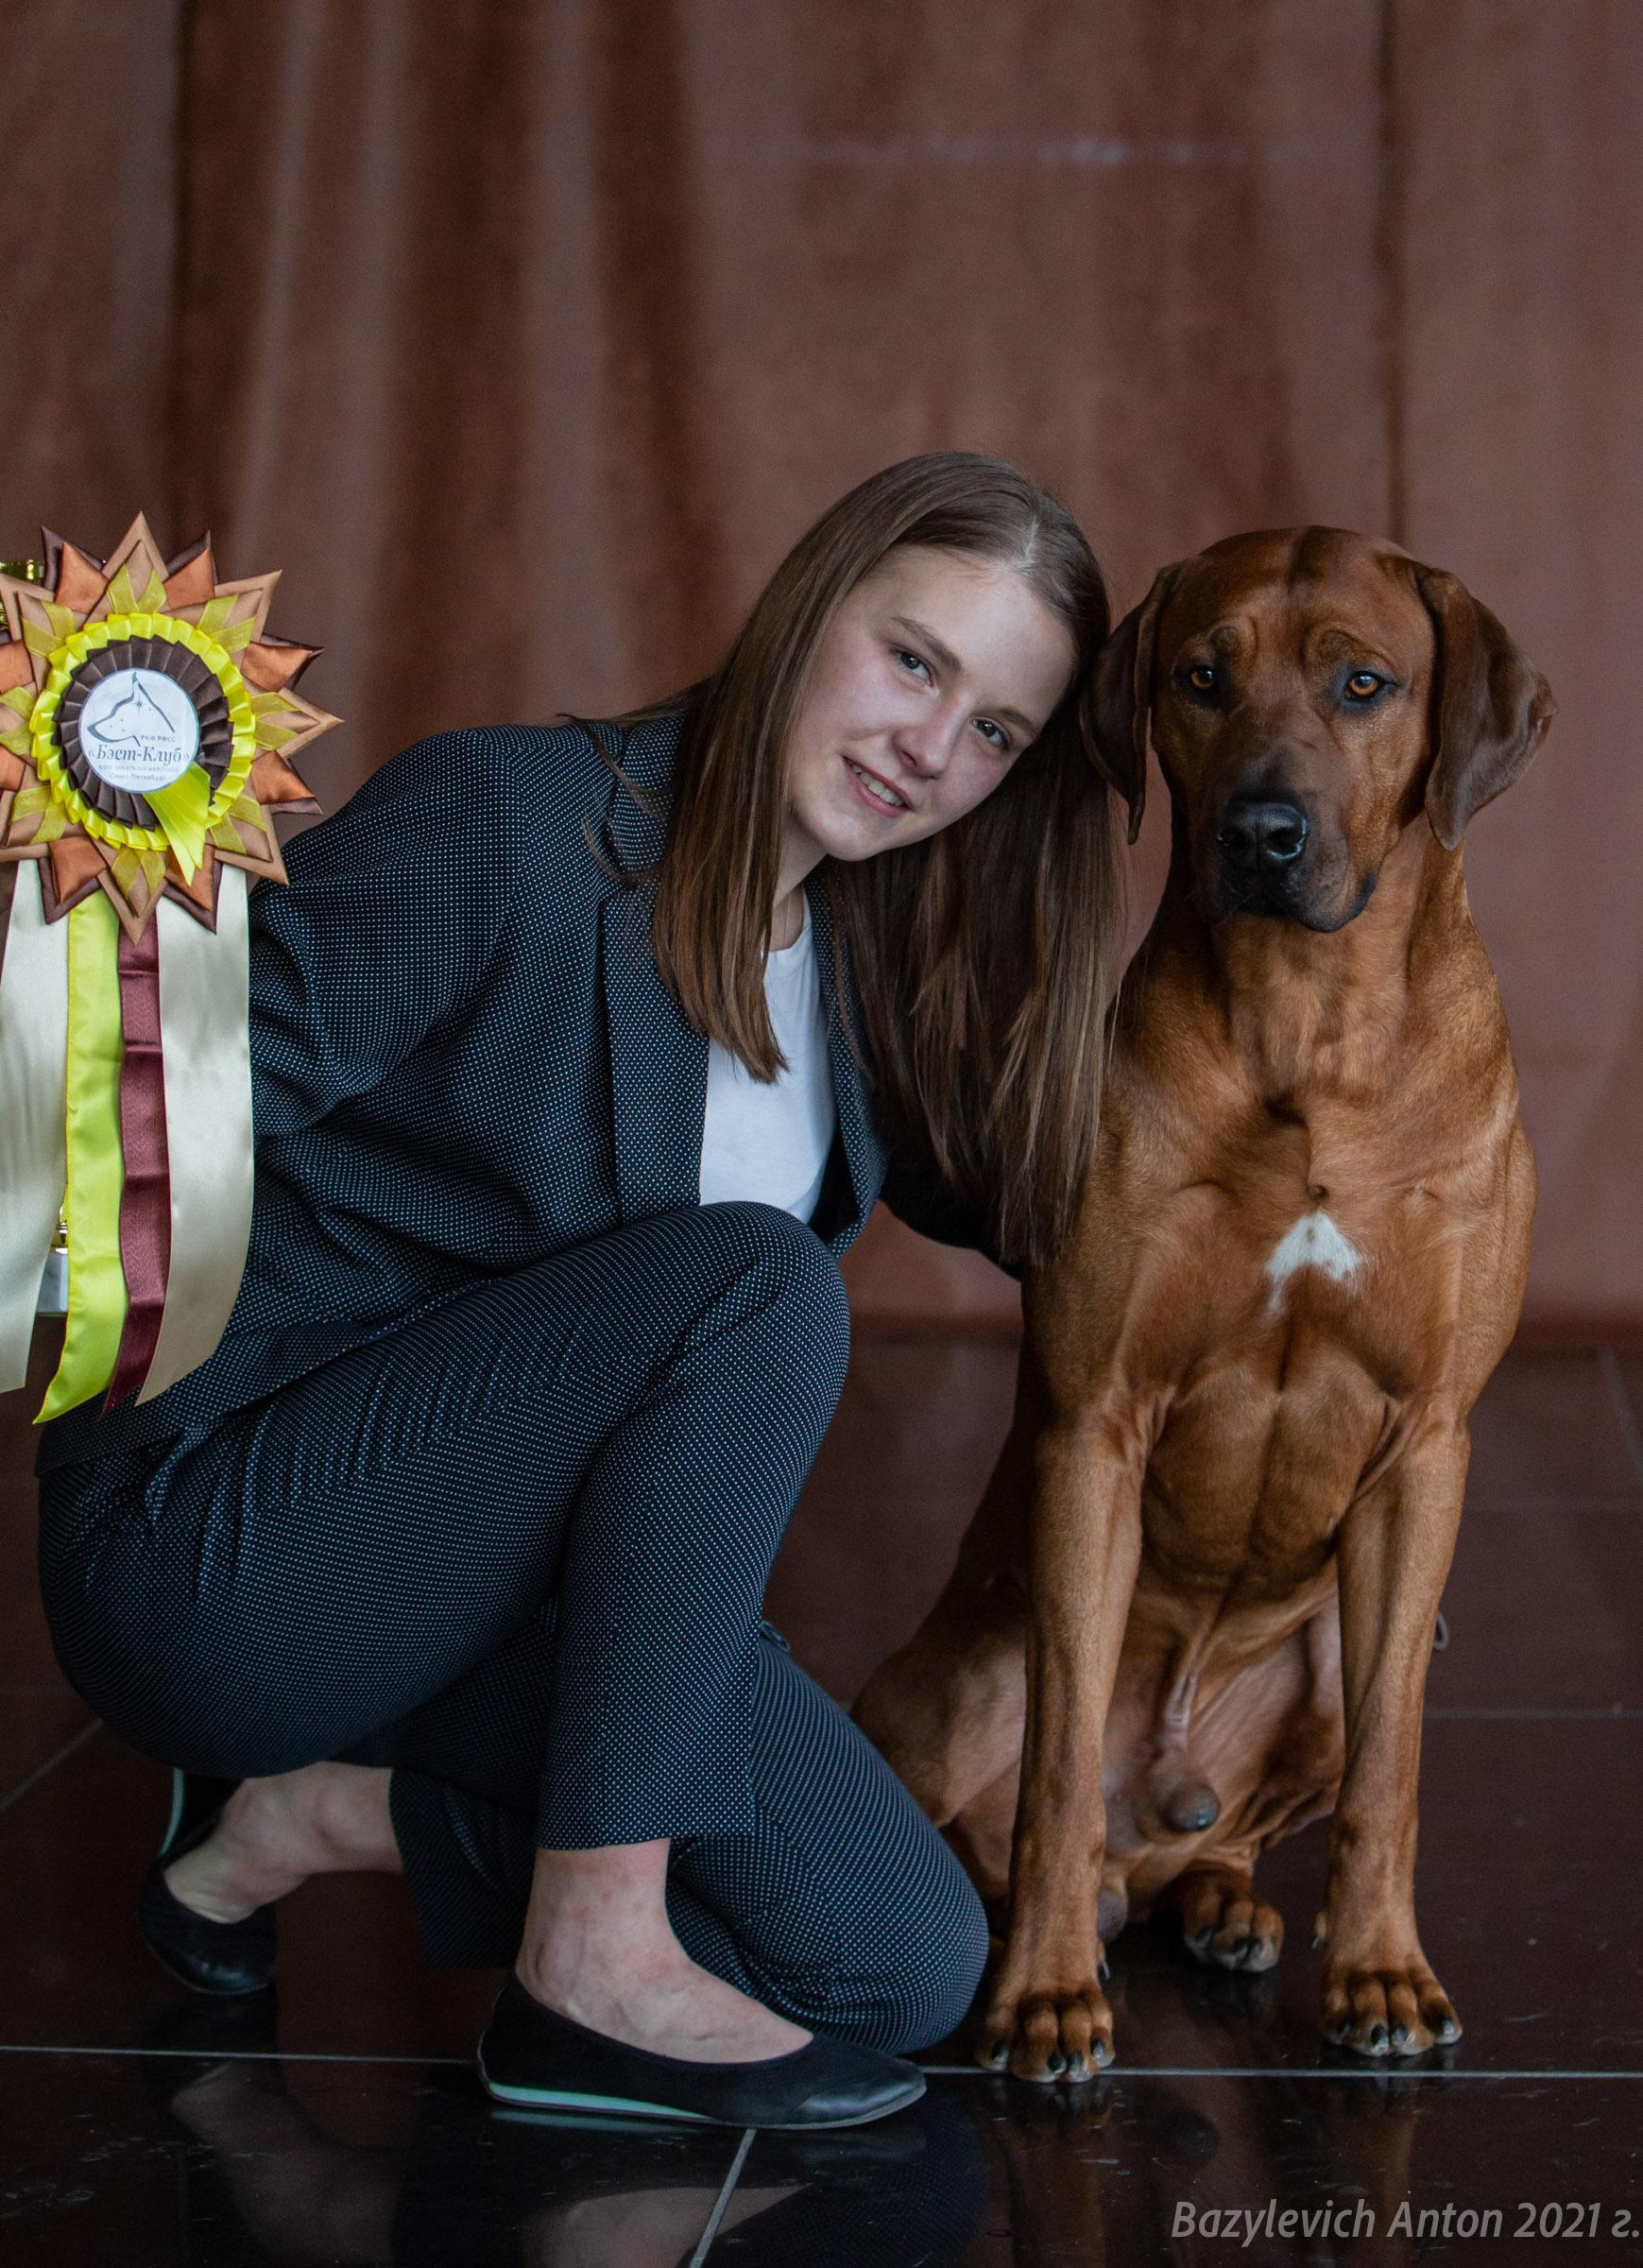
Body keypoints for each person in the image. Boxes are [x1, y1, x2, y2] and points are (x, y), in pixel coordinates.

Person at [34, 452, 1126, 2129]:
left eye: (995, 730)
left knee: (903, 1964)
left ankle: (306, 1818)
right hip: (235, 1546)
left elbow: (1049, 1208)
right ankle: (588, 1958)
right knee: (757, 1283)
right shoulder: (514, 822)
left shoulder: (865, 961)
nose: (933, 747)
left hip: (512, 1598)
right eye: (914, 660)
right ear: (809, 605)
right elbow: (152, 1114)